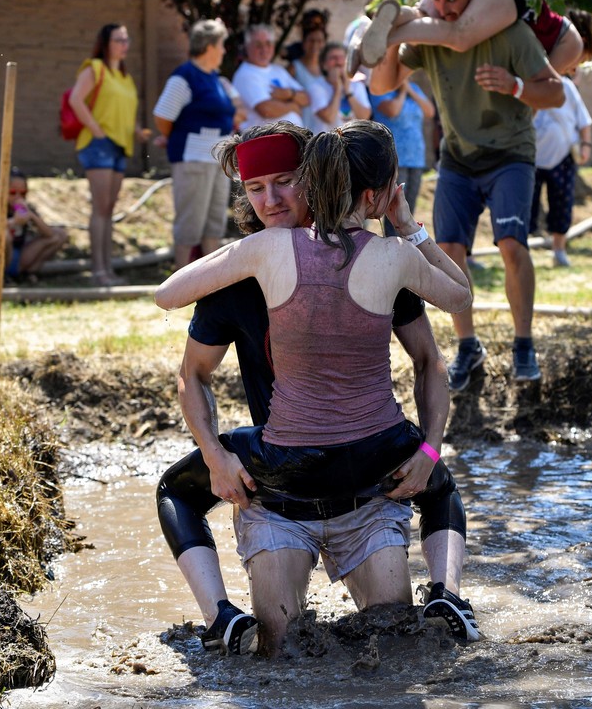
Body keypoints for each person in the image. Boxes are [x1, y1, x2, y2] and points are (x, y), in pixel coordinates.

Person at [156, 122, 479, 655]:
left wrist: (429, 449)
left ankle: (448, 594)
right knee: (278, 648)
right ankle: (220, 616)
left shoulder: (273, 253)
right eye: (256, 187)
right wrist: (215, 456)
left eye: (284, 181)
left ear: (318, 177)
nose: (271, 198)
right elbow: (191, 373)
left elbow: (429, 361)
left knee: (396, 641)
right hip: (280, 494)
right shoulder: (263, 263)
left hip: (363, 490)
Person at [369, 0, 566, 391]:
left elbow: (556, 92)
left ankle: (523, 345)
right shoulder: (430, 34)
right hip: (457, 158)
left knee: (512, 246)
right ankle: (467, 346)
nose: (443, 8)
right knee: (449, 250)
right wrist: (387, 36)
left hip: (511, 155)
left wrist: (514, 85)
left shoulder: (511, 33)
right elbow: (382, 83)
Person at [352, 0, 592, 77]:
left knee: (421, 13)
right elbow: (536, 91)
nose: (573, 71)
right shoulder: (571, 44)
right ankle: (388, 37)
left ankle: (364, 38)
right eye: (578, 65)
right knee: (458, 37)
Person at [67, 23, 151, 286]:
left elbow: (124, 112)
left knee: (108, 209)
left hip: (120, 146)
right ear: (105, 43)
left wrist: (137, 132)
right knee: (101, 209)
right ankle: (97, 271)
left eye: (126, 39)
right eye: (119, 40)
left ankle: (107, 270)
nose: (124, 44)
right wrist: (96, 130)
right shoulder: (94, 68)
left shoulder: (125, 77)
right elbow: (75, 100)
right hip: (99, 144)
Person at [153, 19, 239, 270]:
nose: (224, 50)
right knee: (190, 225)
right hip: (193, 159)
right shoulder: (185, 76)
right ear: (210, 46)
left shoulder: (214, 78)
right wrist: (175, 137)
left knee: (213, 224)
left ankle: (209, 284)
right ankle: (181, 283)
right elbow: (163, 116)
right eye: (222, 44)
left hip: (216, 161)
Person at [531, 46, 592, 268]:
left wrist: (585, 145)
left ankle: (559, 250)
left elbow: (583, 121)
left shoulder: (567, 87)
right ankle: (524, 249)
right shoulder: (528, 86)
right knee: (527, 206)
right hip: (531, 158)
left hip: (564, 156)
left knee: (562, 204)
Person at [369, 74, 435, 236]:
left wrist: (409, 90)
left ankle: (408, 244)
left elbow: (430, 111)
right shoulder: (380, 89)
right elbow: (392, 111)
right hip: (394, 157)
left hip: (416, 156)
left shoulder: (415, 88)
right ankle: (393, 245)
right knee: (394, 208)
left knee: (409, 208)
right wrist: (403, 92)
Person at [0, 170, 69, 283]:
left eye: (23, 193)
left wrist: (31, 216)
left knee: (60, 234)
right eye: (13, 192)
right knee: (4, 235)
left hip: (18, 256)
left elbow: (50, 235)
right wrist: (12, 221)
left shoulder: (26, 209)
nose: (18, 197)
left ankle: (29, 273)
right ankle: (1, 276)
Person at [231, 24, 310, 131]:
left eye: (268, 43)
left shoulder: (278, 70)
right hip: (262, 143)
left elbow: (306, 98)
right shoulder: (245, 74)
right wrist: (292, 106)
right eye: (258, 45)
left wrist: (288, 93)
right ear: (247, 47)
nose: (264, 49)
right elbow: (266, 109)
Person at [303, 42, 370, 133]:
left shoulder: (357, 85)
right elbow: (329, 117)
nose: (338, 61)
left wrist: (348, 91)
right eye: (333, 58)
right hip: (326, 143)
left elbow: (364, 117)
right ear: (324, 65)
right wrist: (337, 89)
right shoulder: (316, 87)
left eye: (342, 57)